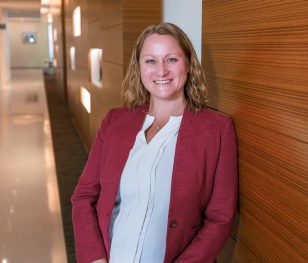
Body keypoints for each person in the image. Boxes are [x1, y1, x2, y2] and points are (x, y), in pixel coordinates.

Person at [71, 22, 238, 263]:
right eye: (150, 61)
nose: (161, 71)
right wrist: (95, 258)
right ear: (138, 67)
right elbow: (83, 196)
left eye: (171, 59)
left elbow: (220, 218)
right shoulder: (115, 121)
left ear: (189, 64)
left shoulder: (217, 130)